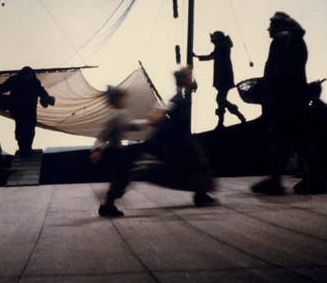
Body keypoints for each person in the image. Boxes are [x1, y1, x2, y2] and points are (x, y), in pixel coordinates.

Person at [251, 12, 326, 195]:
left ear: (278, 25)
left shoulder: (282, 38)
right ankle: (314, 177)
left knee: (279, 137)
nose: (268, 29)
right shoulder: (297, 40)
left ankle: (276, 180)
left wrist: (267, 92)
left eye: (270, 25)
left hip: (283, 98)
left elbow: (275, 70)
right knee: (300, 137)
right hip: (296, 97)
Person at [135, 66, 215, 206]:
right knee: (197, 164)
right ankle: (200, 195)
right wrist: (153, 118)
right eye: (189, 77)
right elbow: (163, 111)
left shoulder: (185, 93)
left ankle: (201, 194)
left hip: (184, 137)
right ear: (184, 80)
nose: (192, 79)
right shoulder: (178, 97)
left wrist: (190, 81)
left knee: (198, 165)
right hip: (179, 139)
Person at [89, 86, 148, 218]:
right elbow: (103, 134)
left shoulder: (116, 113)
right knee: (120, 178)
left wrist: (148, 122)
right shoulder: (114, 115)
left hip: (116, 151)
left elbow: (129, 125)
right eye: (123, 98)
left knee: (120, 178)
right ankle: (107, 205)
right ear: (117, 99)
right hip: (113, 152)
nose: (126, 100)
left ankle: (108, 205)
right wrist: (98, 149)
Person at [0, 66, 54, 156]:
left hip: (30, 110)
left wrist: (46, 98)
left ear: (32, 75)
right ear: (22, 75)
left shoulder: (35, 82)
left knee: (30, 129)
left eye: (30, 75)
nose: (28, 77)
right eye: (27, 75)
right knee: (21, 128)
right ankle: (22, 148)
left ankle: (28, 148)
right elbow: (4, 87)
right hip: (18, 109)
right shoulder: (14, 80)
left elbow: (41, 91)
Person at [193, 30, 246, 128]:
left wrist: (213, 40)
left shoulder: (223, 45)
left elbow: (218, 49)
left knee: (220, 99)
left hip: (224, 77)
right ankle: (227, 119)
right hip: (221, 78)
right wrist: (197, 56)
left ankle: (227, 120)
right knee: (221, 99)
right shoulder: (219, 46)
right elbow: (211, 56)